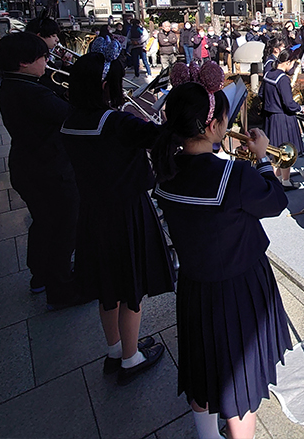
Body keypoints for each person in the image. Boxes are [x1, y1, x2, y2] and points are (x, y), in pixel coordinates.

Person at [153, 76, 291, 439]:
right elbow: (276, 202)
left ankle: (207, 434)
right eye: (226, 122)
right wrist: (263, 160)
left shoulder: (165, 169)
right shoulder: (234, 173)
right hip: (239, 287)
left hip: (195, 286)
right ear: (212, 126)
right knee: (240, 385)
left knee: (201, 365)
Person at [61, 53, 174, 384]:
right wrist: (163, 116)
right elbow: (161, 139)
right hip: (126, 212)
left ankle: (115, 350)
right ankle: (130, 358)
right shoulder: (115, 122)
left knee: (107, 288)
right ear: (102, 86)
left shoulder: (70, 121)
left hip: (92, 213)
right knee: (130, 288)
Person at [0, 33, 81, 309]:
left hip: (29, 166)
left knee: (44, 223)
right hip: (49, 170)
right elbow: (71, 115)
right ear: (23, 62)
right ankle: (62, 288)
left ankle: (40, 276)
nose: (46, 61)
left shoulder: (14, 84)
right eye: (42, 57)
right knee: (64, 225)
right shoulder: (33, 92)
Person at [260, 50, 303, 187]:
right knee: (285, 151)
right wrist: (300, 108)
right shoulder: (282, 78)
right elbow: (289, 103)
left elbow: (261, 94)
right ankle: (285, 181)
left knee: (273, 150)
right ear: (287, 62)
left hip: (270, 117)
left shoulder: (268, 74)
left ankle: (276, 179)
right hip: (283, 118)